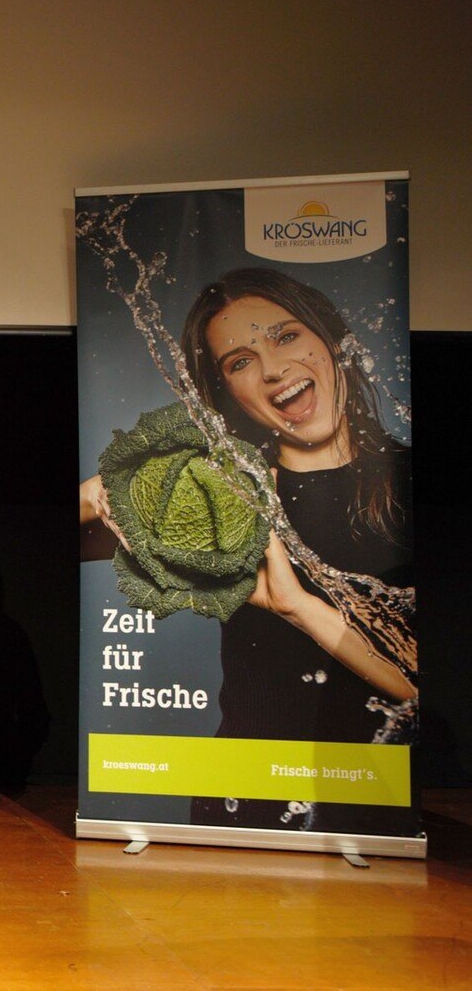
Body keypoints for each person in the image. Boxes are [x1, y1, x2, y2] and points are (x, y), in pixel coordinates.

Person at [81, 267, 415, 833]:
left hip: (372, 788)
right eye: (239, 361)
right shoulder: (224, 493)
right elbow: (76, 533)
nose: (274, 370)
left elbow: (418, 676)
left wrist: (296, 606)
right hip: (246, 787)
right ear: (224, 391)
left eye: (286, 336)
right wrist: (98, 492)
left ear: (330, 340)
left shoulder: (406, 482)